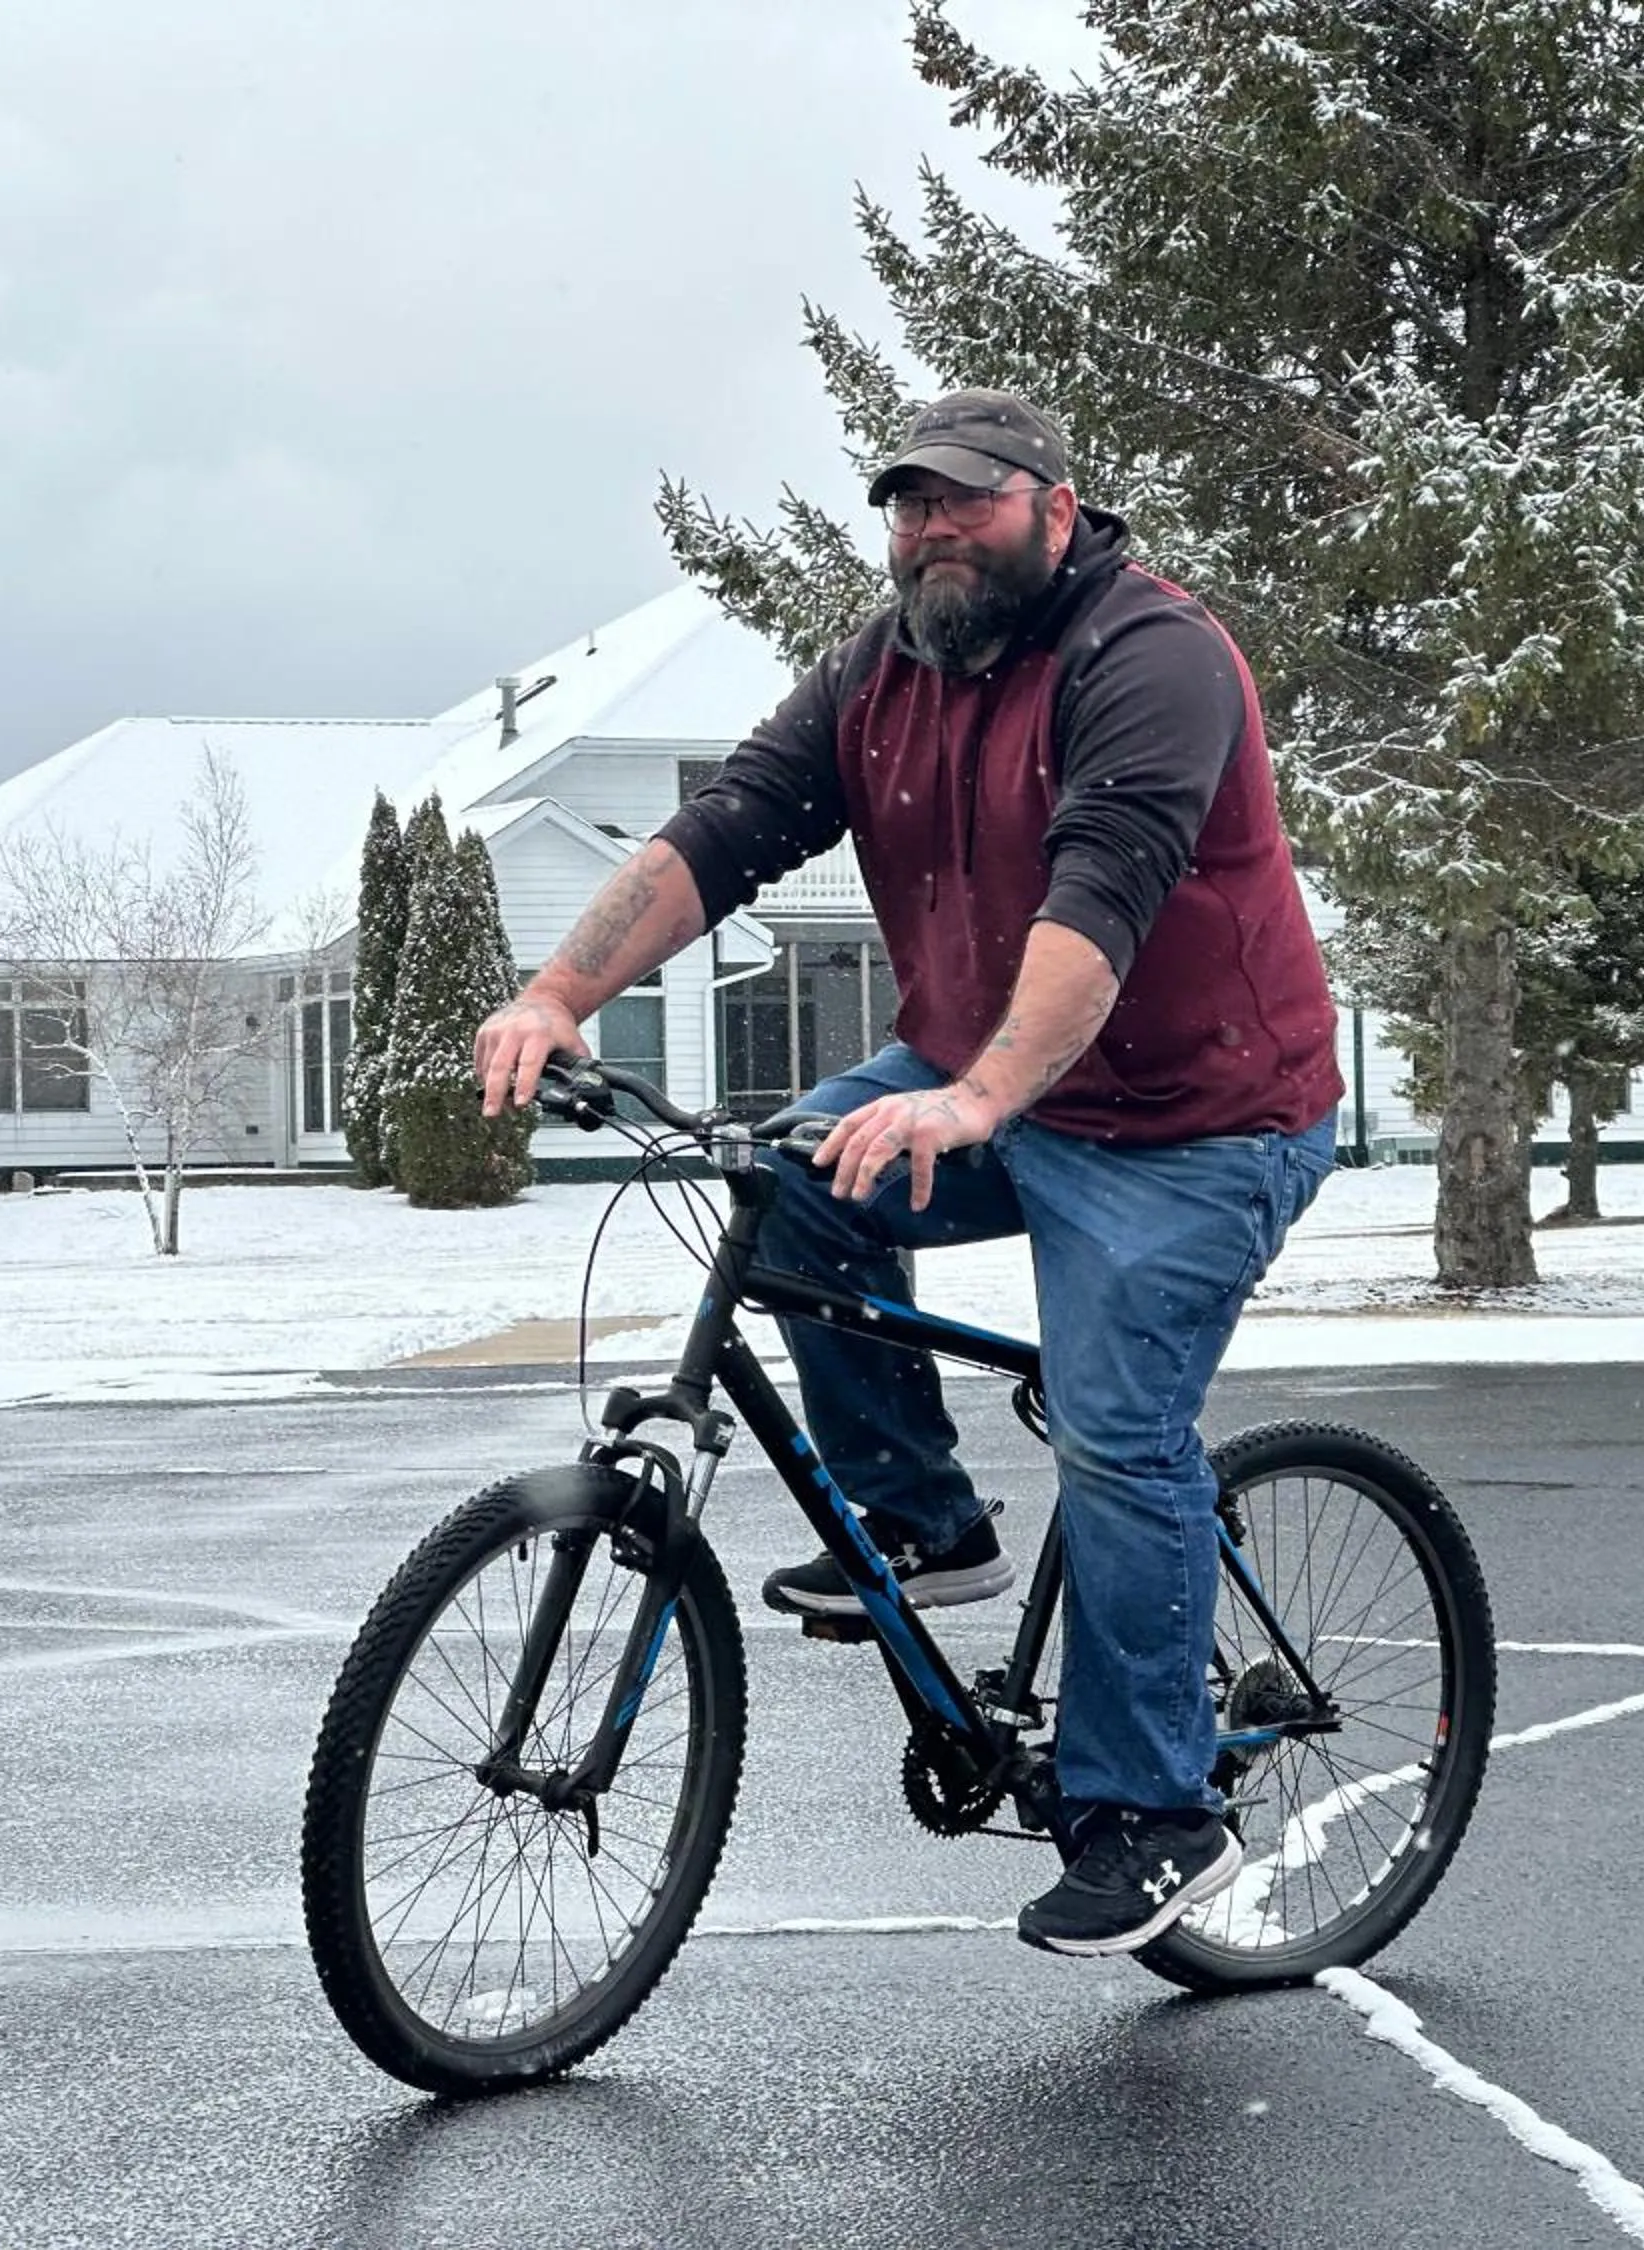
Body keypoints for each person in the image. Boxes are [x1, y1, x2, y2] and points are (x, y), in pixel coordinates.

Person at [475, 388, 1344, 1957]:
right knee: (794, 1178)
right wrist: (556, 994)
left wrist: (982, 1096)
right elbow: (719, 834)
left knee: (1115, 1418)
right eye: (908, 505)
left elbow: (1103, 895)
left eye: (968, 499)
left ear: (1055, 509)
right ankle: (925, 1522)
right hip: (985, 1079)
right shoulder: (880, 676)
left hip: (1199, 1122)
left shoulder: (1149, 659)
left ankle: (1156, 1817)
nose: (933, 528)